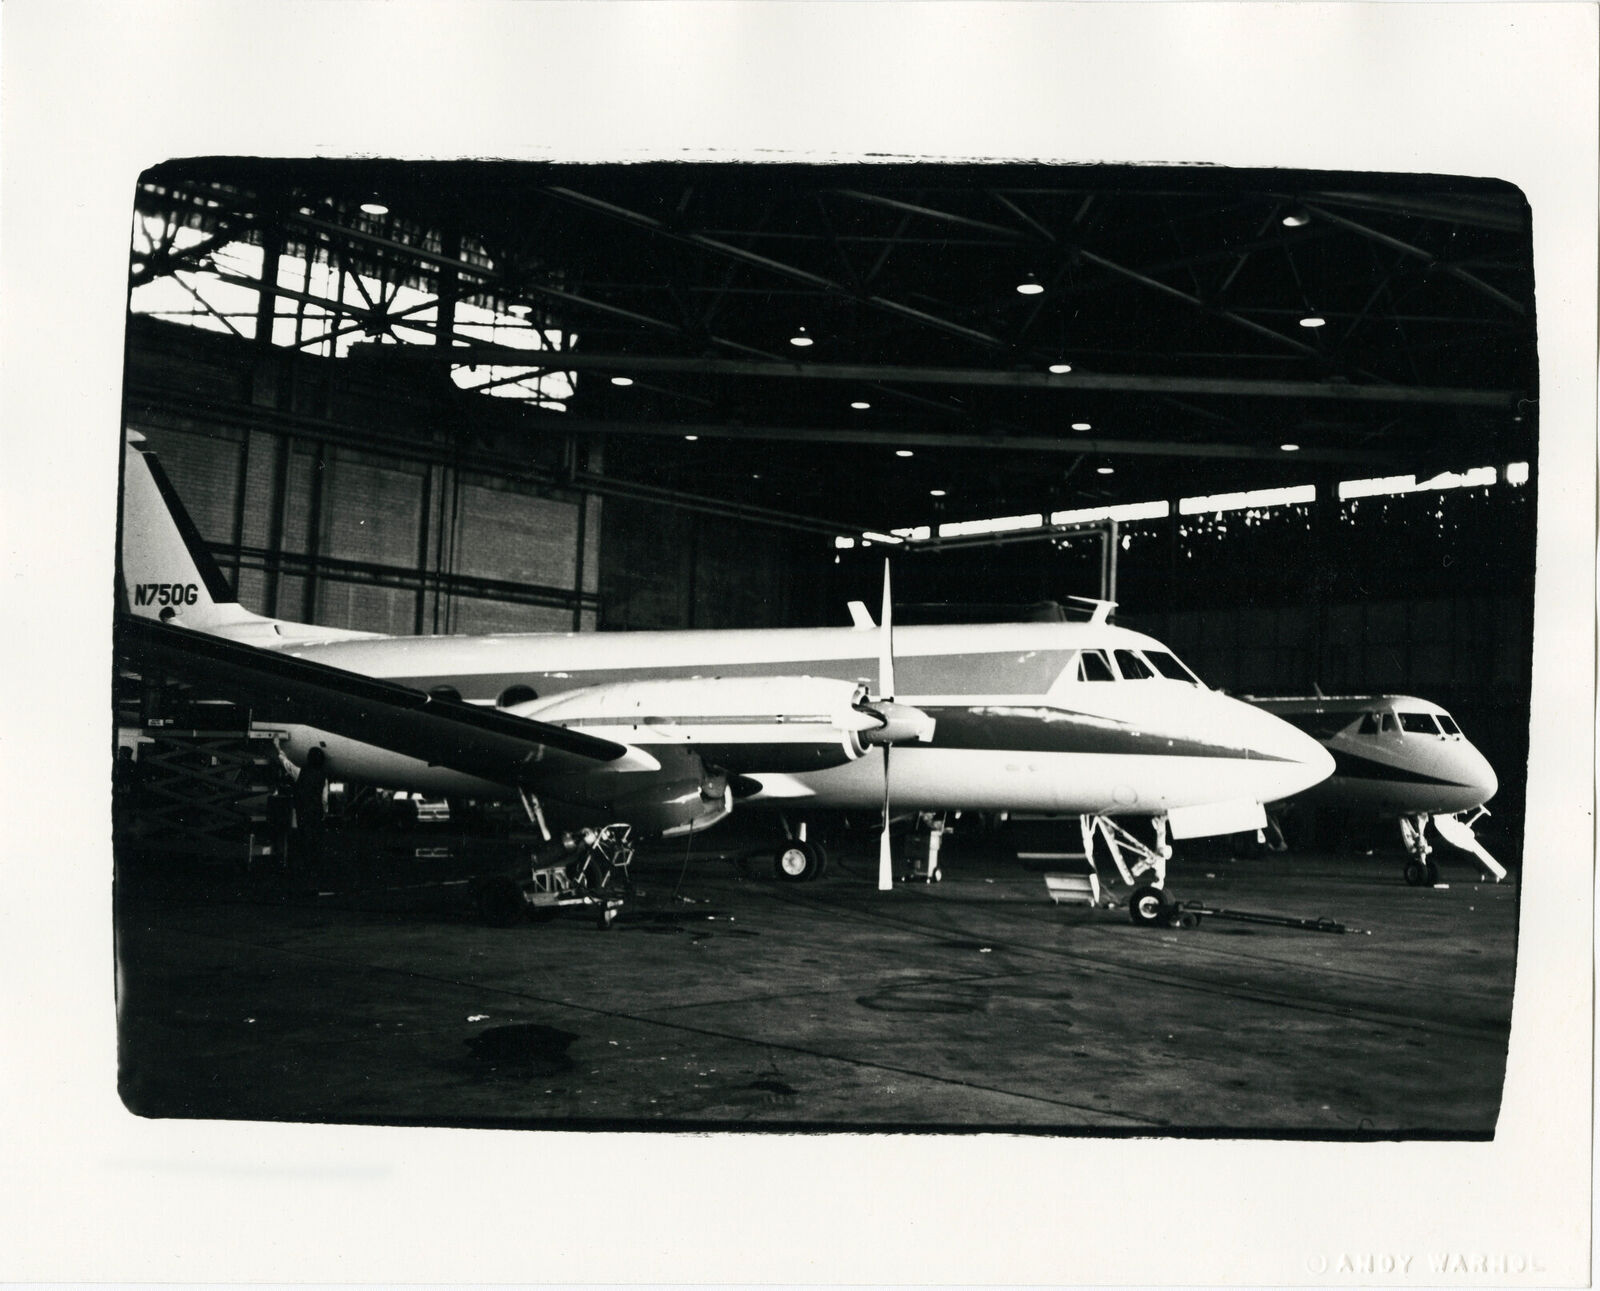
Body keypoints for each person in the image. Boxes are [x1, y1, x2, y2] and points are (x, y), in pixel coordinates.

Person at [292, 746, 330, 868]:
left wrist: (279, 750)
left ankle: (304, 863)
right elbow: (324, 798)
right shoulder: (323, 776)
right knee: (315, 837)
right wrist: (325, 812)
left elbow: (288, 765)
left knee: (303, 836)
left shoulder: (301, 772)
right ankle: (314, 863)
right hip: (316, 810)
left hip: (302, 809)